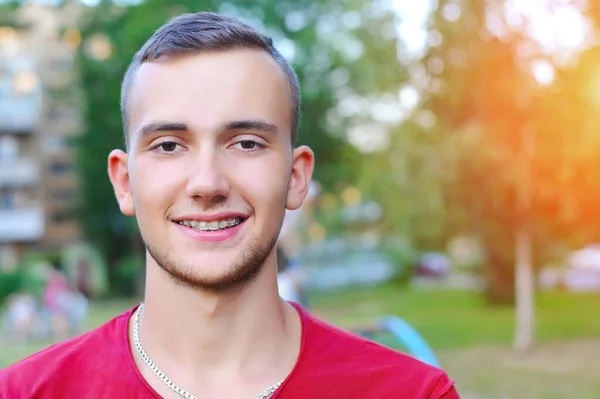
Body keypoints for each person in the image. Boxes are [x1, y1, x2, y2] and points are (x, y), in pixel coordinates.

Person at [0, 12, 460, 399]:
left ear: (296, 177)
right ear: (124, 182)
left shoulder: (411, 393)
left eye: (244, 143)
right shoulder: (25, 393)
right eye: (167, 145)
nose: (207, 183)